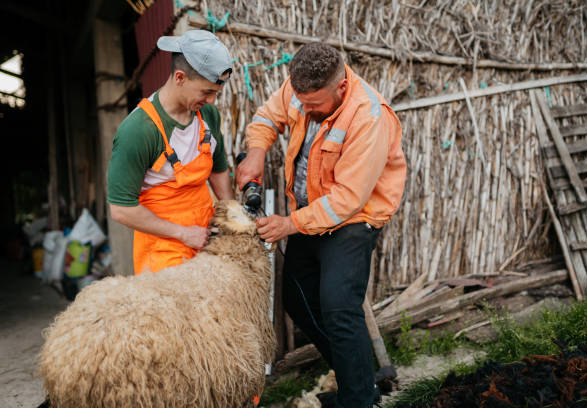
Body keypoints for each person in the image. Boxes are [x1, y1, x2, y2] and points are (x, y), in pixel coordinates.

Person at [237, 43, 406, 407]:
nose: (306, 111)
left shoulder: (369, 117)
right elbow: (268, 117)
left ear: (341, 88)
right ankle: (358, 377)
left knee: (338, 306)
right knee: (298, 300)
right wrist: (256, 151)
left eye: (315, 105)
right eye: (302, 103)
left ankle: (358, 399)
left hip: (353, 219)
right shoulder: (299, 89)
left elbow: (347, 200)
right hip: (309, 214)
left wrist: (288, 224)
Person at [107, 30, 234, 275]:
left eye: (215, 93)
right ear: (179, 78)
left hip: (206, 240)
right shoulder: (138, 131)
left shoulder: (208, 116)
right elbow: (121, 209)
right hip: (163, 251)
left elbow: (219, 171)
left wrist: (230, 216)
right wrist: (183, 234)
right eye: (206, 92)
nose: (212, 101)